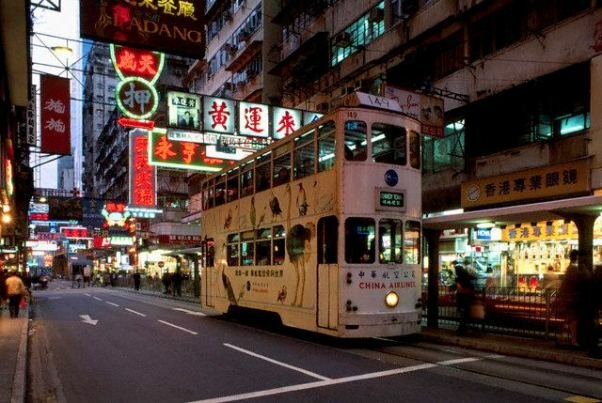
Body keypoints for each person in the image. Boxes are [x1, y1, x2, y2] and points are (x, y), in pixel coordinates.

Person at [454, 264, 476, 335]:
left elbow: (459, 289)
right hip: (468, 298)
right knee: (466, 314)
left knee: (462, 314)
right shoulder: (468, 276)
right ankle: (465, 328)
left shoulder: (458, 278)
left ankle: (461, 329)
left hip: (462, 298)